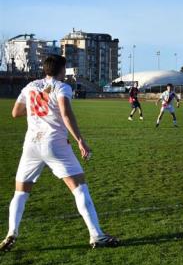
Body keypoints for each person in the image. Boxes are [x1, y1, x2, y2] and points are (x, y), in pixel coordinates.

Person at [0, 55, 119, 251]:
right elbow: (65, 113)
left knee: (20, 192)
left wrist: (36, 110)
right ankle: (96, 235)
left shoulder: (30, 86)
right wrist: (80, 140)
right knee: (79, 188)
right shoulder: (62, 87)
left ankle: (11, 233)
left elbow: (15, 112)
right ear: (61, 70)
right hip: (55, 144)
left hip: (31, 145)